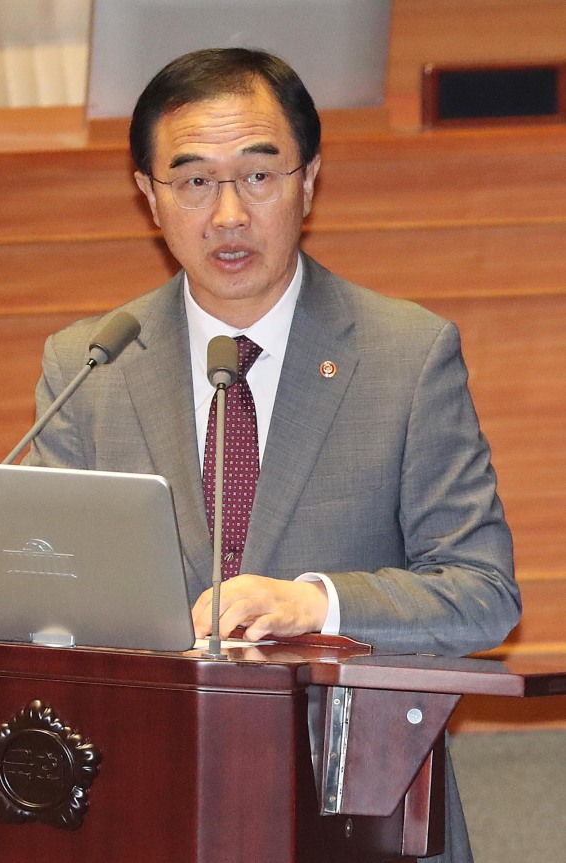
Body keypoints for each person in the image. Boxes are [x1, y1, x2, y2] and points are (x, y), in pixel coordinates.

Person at [27, 48, 521, 862]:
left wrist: (314, 604)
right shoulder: (90, 364)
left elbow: (483, 593)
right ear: (148, 196)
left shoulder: (407, 355)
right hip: (145, 803)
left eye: (258, 176)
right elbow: (47, 592)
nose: (227, 214)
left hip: (357, 808)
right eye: (192, 181)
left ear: (310, 180)